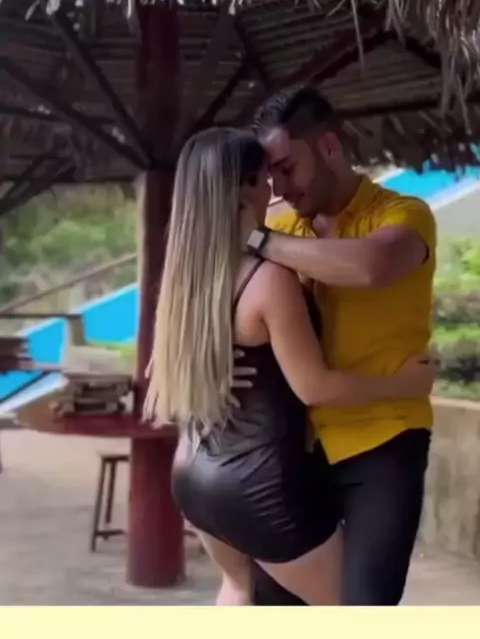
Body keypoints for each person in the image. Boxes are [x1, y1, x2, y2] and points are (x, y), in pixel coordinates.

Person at [144, 125, 435, 606]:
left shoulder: (186, 278)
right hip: (255, 484)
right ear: (245, 191)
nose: (275, 190)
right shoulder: (268, 278)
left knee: (239, 588)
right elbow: (314, 387)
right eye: (266, 178)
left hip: (193, 474)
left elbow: (162, 368)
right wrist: (404, 383)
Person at [243, 83, 437, 606]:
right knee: (273, 603)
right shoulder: (284, 225)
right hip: (294, 446)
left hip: (384, 442)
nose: (280, 188)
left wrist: (257, 239)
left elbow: (372, 267)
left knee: (365, 606)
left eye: (288, 168)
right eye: (271, 176)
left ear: (329, 147)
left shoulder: (404, 213)